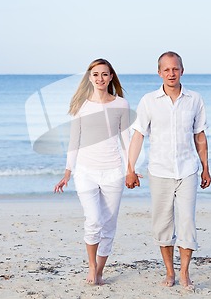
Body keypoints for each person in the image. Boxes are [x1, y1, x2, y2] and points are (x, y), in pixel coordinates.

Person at [125, 51, 211, 290]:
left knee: (187, 223)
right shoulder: (149, 101)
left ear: (182, 70)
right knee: (162, 223)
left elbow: (200, 136)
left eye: (175, 69)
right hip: (160, 171)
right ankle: (169, 271)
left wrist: (206, 168)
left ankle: (184, 273)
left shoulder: (194, 99)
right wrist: (130, 168)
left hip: (187, 171)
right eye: (166, 69)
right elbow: (138, 135)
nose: (171, 73)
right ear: (159, 72)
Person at [54, 58, 130, 286]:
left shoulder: (121, 105)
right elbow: (74, 141)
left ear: (111, 77)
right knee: (93, 220)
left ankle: (99, 270)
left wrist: (131, 169)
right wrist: (68, 172)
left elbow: (125, 140)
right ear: (89, 77)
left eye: (104, 74)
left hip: (113, 171)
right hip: (85, 172)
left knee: (109, 225)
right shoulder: (81, 105)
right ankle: (90, 266)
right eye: (96, 74)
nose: (100, 79)